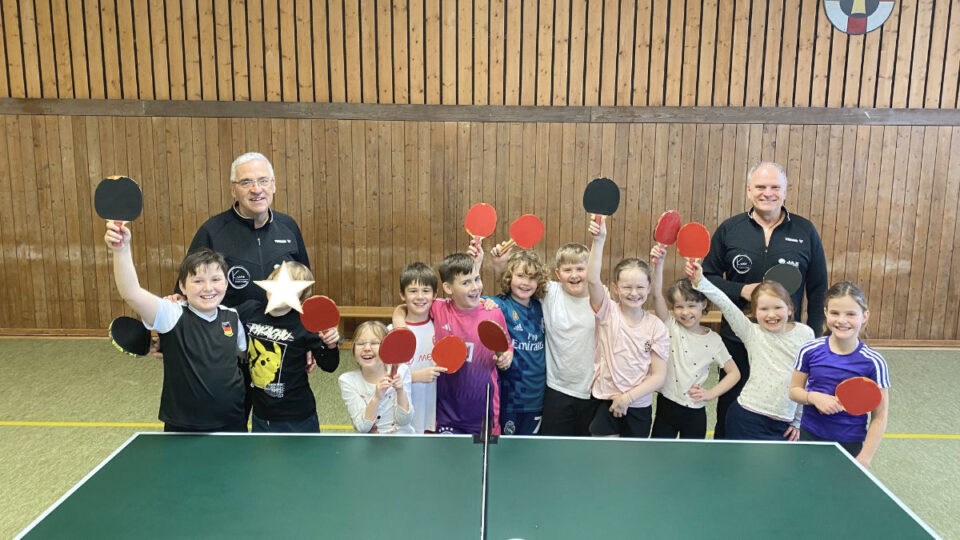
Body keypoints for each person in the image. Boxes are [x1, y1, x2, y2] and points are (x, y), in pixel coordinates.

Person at [702, 161, 828, 439]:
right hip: (738, 337)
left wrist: (815, 340)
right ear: (749, 190)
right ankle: (726, 462)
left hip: (784, 342)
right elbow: (706, 277)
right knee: (730, 407)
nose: (767, 193)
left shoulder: (805, 231)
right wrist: (741, 290)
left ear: (785, 192)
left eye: (775, 187)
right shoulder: (730, 229)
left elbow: (818, 288)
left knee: (781, 407)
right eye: (760, 187)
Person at [104, 221, 246, 432]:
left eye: (216, 279)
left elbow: (242, 356)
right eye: (197, 281)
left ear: (226, 283)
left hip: (232, 420)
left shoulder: (232, 317)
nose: (208, 288)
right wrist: (122, 249)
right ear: (182, 286)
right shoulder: (171, 314)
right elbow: (131, 293)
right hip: (185, 424)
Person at [687, 260, 814, 440]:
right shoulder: (751, 332)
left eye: (777, 307)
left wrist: (798, 421)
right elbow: (725, 304)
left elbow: (806, 379)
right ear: (754, 313)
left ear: (790, 308)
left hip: (784, 424)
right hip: (747, 417)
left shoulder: (805, 334)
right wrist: (700, 281)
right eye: (763, 309)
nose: (771, 314)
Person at [187, 152, 310, 307]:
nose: (256, 189)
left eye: (263, 181)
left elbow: (305, 286)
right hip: (230, 329)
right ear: (233, 190)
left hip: (282, 329)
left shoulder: (289, 226)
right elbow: (187, 290)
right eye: (246, 182)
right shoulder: (211, 231)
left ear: (273, 184)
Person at [790, 281, 889, 467]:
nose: (841, 320)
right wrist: (814, 397)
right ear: (826, 312)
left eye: (851, 314)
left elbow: (880, 416)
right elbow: (794, 391)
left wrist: (865, 458)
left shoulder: (873, 362)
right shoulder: (809, 350)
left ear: (865, 316)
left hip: (850, 443)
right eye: (835, 313)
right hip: (809, 437)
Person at [586, 217, 669, 438]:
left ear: (649, 287)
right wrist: (599, 240)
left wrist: (628, 398)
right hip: (605, 398)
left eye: (640, 287)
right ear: (614, 288)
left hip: (638, 404)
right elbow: (592, 280)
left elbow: (659, 376)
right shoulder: (607, 312)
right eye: (627, 287)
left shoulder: (656, 327)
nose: (634, 293)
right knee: (604, 461)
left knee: (632, 463)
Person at [648, 244, 740, 439]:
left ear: (703, 304)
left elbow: (734, 373)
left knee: (692, 459)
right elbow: (656, 294)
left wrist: (711, 393)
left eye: (691, 305)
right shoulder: (669, 326)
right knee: (658, 456)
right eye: (679, 306)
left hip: (695, 411)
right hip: (666, 406)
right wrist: (659, 263)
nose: (685, 312)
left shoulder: (714, 340)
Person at [236, 262, 340, 433]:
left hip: (297, 415)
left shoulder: (306, 324)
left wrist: (331, 344)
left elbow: (329, 365)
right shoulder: (249, 310)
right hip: (262, 413)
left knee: (302, 460)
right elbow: (219, 316)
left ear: (301, 296)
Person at [533, 242, 598, 436]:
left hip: (592, 391)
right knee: (554, 451)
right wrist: (497, 264)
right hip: (557, 389)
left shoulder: (601, 297)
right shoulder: (549, 292)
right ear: (557, 273)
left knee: (586, 452)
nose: (574, 275)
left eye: (580, 268)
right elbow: (520, 281)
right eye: (567, 269)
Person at [487, 248, 548, 435]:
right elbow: (467, 302)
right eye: (520, 275)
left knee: (529, 452)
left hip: (536, 399)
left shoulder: (541, 307)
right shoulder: (500, 305)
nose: (526, 282)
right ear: (509, 278)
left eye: (531, 277)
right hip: (509, 398)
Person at [338, 322, 414, 434]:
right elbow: (362, 427)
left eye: (374, 343)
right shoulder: (347, 381)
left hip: (401, 442)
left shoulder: (401, 371)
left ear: (387, 348)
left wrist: (400, 391)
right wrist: (377, 397)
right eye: (360, 343)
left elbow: (404, 421)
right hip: (368, 446)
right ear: (353, 349)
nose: (367, 348)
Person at [395, 262, 445, 433]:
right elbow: (385, 377)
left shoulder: (440, 329)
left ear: (435, 295)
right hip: (402, 416)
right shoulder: (392, 332)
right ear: (402, 294)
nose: (420, 297)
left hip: (432, 413)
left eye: (426, 290)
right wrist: (415, 376)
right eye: (413, 291)